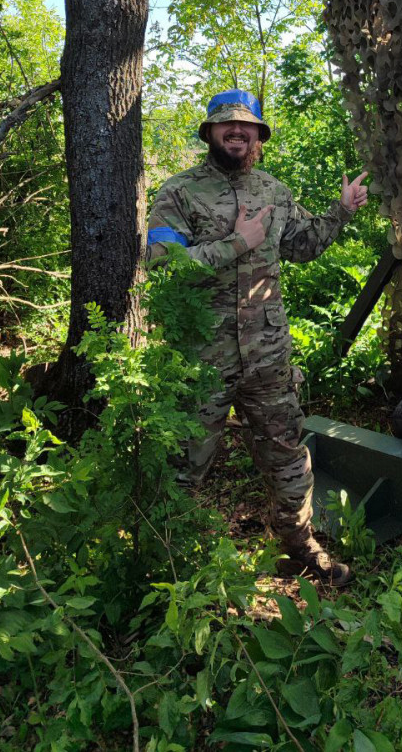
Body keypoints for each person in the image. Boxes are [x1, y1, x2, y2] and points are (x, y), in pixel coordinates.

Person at [147, 89, 368, 585]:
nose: (238, 132)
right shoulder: (178, 193)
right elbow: (162, 268)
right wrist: (235, 243)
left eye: (248, 126)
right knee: (184, 466)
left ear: (260, 136)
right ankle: (169, 566)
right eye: (228, 125)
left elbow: (303, 247)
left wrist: (342, 212)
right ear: (210, 132)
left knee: (289, 460)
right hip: (202, 358)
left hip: (268, 357)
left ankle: (297, 549)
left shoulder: (274, 191)